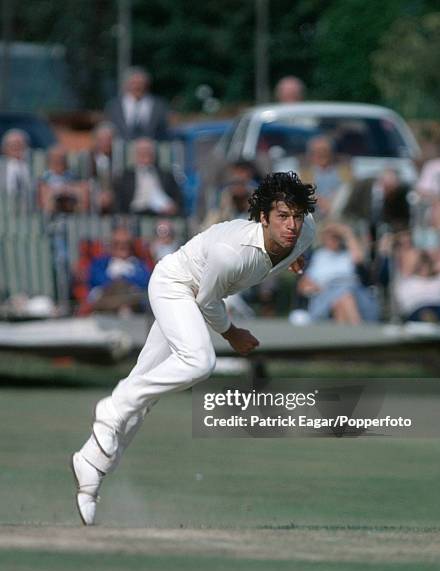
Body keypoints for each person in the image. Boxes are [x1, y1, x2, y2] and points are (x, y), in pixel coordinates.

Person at [71, 171, 316, 525]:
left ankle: (90, 469)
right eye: (281, 216)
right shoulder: (232, 253)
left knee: (147, 394)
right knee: (199, 362)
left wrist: (292, 257)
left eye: (295, 215)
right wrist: (233, 333)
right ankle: (112, 406)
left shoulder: (304, 230)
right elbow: (207, 301)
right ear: (263, 218)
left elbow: (294, 244)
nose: (291, 224)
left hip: (194, 293)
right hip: (175, 285)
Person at [297, 222, 379, 324]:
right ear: (324, 238)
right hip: (326, 293)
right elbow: (303, 285)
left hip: (354, 292)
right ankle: (357, 330)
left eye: (336, 237)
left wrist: (347, 233)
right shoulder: (318, 256)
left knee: (342, 300)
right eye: (330, 236)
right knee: (343, 297)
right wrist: (316, 287)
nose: (333, 240)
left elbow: (359, 260)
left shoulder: (348, 255)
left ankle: (346, 336)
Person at [86, 227, 152, 314]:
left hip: (132, 301)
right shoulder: (101, 263)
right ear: (111, 245)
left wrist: (124, 279)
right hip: (107, 299)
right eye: (117, 243)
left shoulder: (137, 264)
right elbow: (95, 279)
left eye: (126, 243)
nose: (122, 246)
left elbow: (145, 281)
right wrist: (116, 281)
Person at [113, 137, 182, 215]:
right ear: (136, 154)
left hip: (161, 214)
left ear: (153, 154)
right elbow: (119, 201)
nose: (145, 154)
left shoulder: (166, 174)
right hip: (135, 213)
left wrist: (173, 207)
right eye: (142, 151)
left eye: (148, 151)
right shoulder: (126, 176)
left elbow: (178, 198)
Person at [105, 66, 169, 141]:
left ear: (147, 85)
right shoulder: (113, 106)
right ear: (126, 84)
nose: (137, 87)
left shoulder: (159, 105)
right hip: (122, 149)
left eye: (141, 83)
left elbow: (164, 130)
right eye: (134, 83)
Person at [37, 145, 88, 214]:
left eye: (62, 158)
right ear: (50, 160)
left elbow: (82, 190)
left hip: (71, 203)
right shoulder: (45, 177)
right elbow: (43, 197)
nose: (59, 161)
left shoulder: (73, 176)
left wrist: (67, 190)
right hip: (53, 206)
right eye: (55, 158)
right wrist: (58, 191)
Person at [0, 129, 32, 213]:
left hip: (29, 216)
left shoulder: (35, 167)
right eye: (12, 145)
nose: (16, 148)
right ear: (4, 149)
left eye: (20, 145)